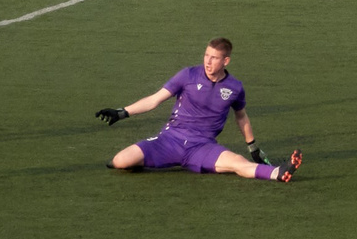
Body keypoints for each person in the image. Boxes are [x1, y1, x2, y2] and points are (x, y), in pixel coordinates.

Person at [97, 38, 300, 182]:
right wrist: (122, 112)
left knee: (238, 163)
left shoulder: (235, 87)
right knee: (119, 161)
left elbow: (241, 117)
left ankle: (277, 173)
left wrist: (252, 147)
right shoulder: (188, 75)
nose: (208, 61)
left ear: (225, 61)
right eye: (206, 55)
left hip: (202, 147)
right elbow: (154, 100)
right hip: (170, 141)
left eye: (214, 58)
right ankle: (156, 160)